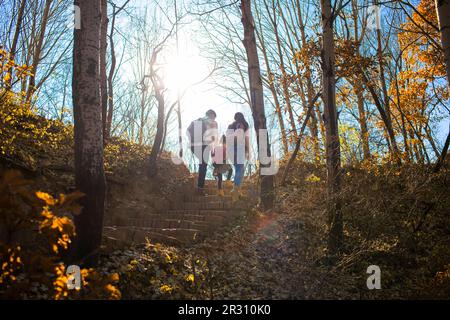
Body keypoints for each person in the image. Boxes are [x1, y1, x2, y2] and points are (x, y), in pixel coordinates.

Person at [187, 109, 218, 195]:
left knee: (202, 164)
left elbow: (188, 130)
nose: (214, 119)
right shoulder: (213, 122)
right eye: (214, 117)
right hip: (204, 145)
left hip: (193, 146)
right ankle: (200, 189)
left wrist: (192, 142)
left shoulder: (198, 120)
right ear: (212, 115)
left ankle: (199, 187)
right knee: (203, 165)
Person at [226, 112, 250, 201]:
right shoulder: (244, 124)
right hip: (240, 148)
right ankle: (235, 189)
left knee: (238, 168)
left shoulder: (230, 126)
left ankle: (237, 190)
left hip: (231, 149)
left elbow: (227, 138)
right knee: (240, 169)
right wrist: (248, 152)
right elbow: (246, 139)